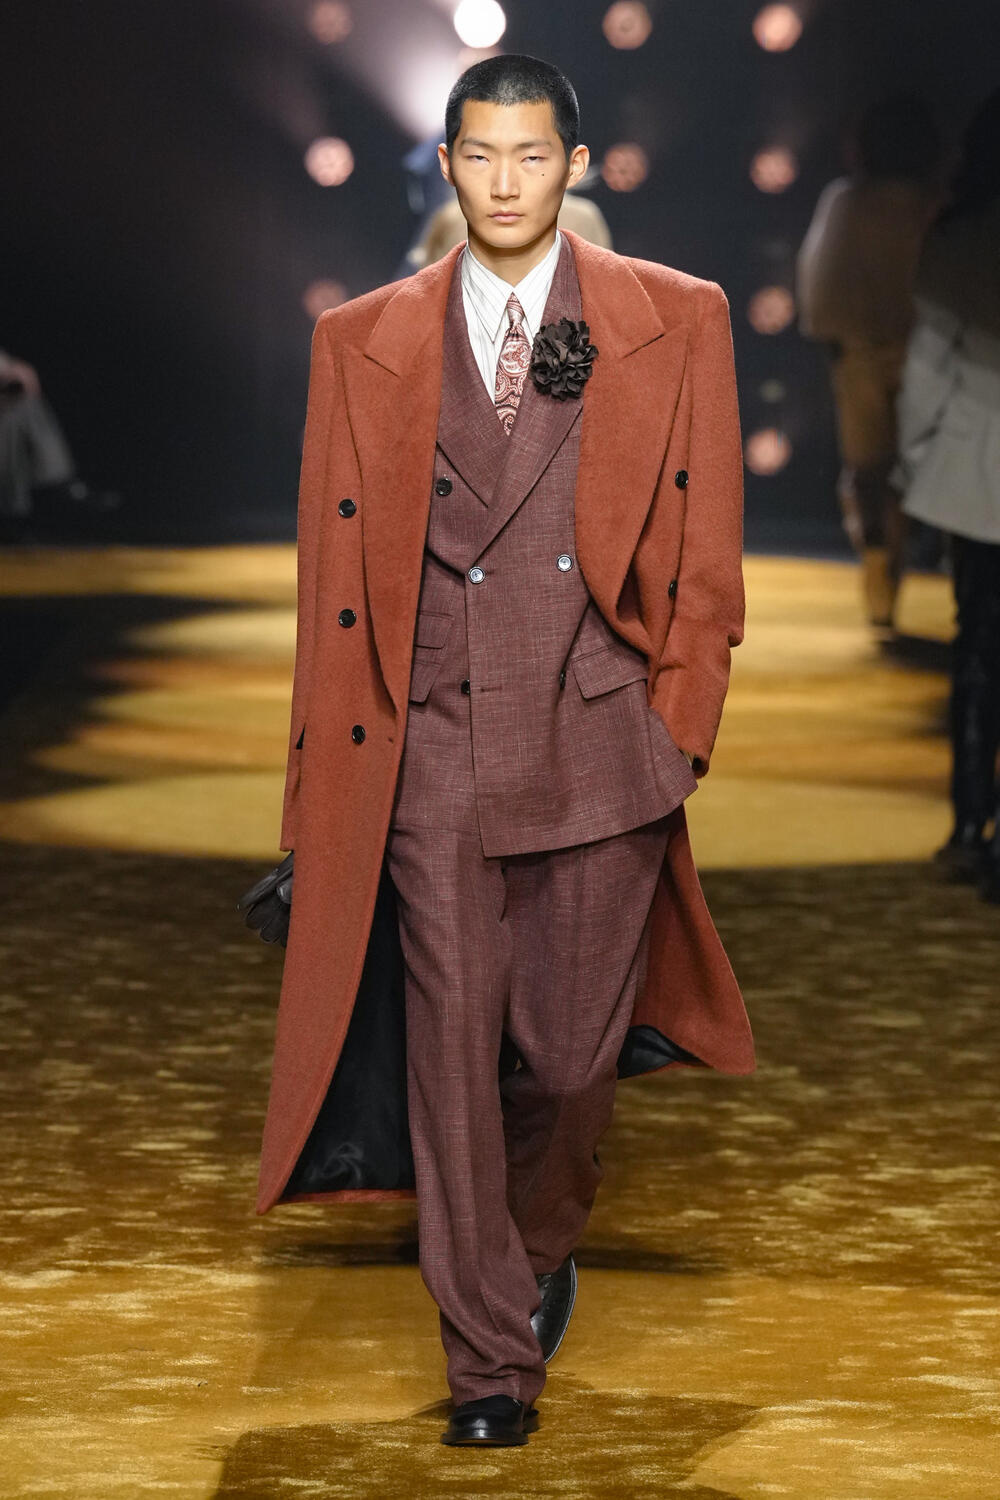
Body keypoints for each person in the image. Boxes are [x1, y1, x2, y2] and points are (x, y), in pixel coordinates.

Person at [246, 54, 754, 1448]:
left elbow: (706, 556)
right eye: (481, 156)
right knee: (452, 1055)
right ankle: (487, 1361)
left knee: (571, 1065)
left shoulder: (675, 317)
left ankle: (527, 1260)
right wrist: (317, 800)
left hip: (602, 743)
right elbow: (328, 588)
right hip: (431, 747)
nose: (507, 182)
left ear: (574, 166)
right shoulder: (363, 338)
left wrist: (680, 731)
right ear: (449, 166)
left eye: (533, 156)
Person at [894, 89, 1000, 903]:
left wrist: (915, 461)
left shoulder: (961, 240)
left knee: (979, 647)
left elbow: (929, 367)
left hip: (978, 468)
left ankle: (969, 822)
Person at [796, 95, 945, 639]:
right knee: (901, 472)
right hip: (917, 352)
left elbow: (821, 282)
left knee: (871, 471)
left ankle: (882, 572)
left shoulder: (849, 200)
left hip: (863, 353)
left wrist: (832, 337)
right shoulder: (930, 202)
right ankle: (889, 573)